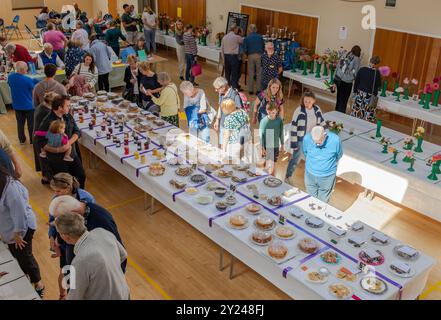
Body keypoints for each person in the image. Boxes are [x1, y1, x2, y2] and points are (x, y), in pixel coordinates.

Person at [54, 212, 130, 300]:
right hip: (124, 294)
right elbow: (123, 254)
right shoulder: (102, 232)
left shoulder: (80, 261)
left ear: (66, 237)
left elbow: (75, 296)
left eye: (59, 233)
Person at [48, 173, 95, 300]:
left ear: (68, 187)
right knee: (65, 270)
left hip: (80, 241)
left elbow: (91, 219)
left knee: (78, 272)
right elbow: (52, 220)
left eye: (58, 190)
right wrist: (52, 238)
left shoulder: (86, 198)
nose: (56, 194)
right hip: (64, 240)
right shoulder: (56, 199)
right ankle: (63, 295)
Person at [0, 167, 45, 298]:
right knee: (16, 255)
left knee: (25, 256)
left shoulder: (10, 188)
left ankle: (38, 283)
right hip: (9, 228)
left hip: (21, 229)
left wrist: (18, 234)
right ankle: (23, 277)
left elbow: (19, 213)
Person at [49, 195, 126, 271]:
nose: (58, 222)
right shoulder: (77, 211)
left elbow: (119, 255)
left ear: (73, 213)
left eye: (60, 219)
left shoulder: (102, 222)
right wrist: (57, 241)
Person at [37, 95, 86, 188]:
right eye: (67, 105)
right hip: (58, 160)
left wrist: (68, 143)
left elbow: (77, 131)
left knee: (81, 176)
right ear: (60, 108)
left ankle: (79, 197)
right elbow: (40, 141)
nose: (69, 107)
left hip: (72, 154)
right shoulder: (47, 121)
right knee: (64, 184)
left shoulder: (67, 116)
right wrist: (58, 150)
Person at [285, 91, 326, 184]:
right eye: (305, 101)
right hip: (301, 139)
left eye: (309, 101)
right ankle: (288, 176)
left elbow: (322, 121)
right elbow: (293, 126)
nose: (307, 103)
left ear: (314, 101)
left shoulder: (317, 109)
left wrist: (326, 131)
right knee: (296, 159)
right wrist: (294, 143)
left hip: (312, 139)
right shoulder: (299, 110)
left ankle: (311, 180)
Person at [303, 126, 343, 203]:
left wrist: (326, 165)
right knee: (310, 200)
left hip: (327, 177)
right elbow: (305, 152)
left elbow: (339, 155)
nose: (317, 144)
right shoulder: (307, 138)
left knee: (322, 203)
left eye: (320, 141)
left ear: (325, 135)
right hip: (310, 175)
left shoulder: (335, 140)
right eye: (315, 142)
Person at [7, 62, 39, 144]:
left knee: (20, 124)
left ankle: (22, 140)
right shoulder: (27, 80)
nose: (27, 69)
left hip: (17, 105)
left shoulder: (10, 77)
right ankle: (32, 140)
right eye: (26, 68)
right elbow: (33, 85)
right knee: (31, 124)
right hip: (29, 106)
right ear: (22, 69)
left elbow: (28, 80)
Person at [33, 92, 59, 184]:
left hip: (38, 137)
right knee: (46, 160)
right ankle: (48, 179)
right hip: (41, 139)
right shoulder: (46, 112)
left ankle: (46, 178)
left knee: (43, 159)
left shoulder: (42, 106)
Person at [212, 77, 243, 148]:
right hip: (222, 124)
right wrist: (217, 120)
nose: (216, 90)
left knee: (229, 147)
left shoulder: (235, 95)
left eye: (217, 88)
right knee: (222, 145)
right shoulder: (221, 93)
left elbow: (239, 112)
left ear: (223, 87)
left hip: (231, 127)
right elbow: (220, 106)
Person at [351, 56, 382, 122]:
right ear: (377, 64)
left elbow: (356, 81)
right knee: (367, 112)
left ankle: (354, 123)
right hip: (370, 95)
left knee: (357, 110)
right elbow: (378, 85)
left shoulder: (362, 69)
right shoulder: (377, 73)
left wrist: (355, 91)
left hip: (360, 93)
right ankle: (364, 126)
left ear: (370, 61)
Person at [333, 45, 361, 114]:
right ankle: (341, 115)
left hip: (339, 79)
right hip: (347, 82)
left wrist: (335, 78)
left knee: (339, 98)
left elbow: (338, 66)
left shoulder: (346, 55)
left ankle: (336, 113)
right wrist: (353, 76)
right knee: (344, 100)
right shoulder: (357, 59)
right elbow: (356, 71)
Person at [259, 104, 284, 176]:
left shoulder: (279, 121)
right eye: (269, 112)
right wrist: (262, 147)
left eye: (273, 112)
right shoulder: (263, 121)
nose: (271, 114)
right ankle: (263, 178)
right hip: (267, 146)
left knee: (273, 165)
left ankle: (273, 179)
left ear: (277, 111)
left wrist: (282, 144)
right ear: (266, 111)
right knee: (266, 164)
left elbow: (281, 133)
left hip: (275, 146)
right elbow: (261, 135)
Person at [221, 24, 244, 90]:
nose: (237, 30)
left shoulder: (224, 37)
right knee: (235, 73)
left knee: (227, 73)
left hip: (226, 56)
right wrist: (241, 31)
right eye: (237, 29)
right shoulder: (236, 37)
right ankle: (234, 88)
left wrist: (223, 59)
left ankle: (228, 87)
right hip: (234, 57)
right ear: (235, 29)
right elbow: (243, 40)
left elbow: (222, 49)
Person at [243, 24, 264, 95]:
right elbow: (263, 47)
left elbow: (245, 49)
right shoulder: (260, 37)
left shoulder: (247, 38)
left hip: (250, 56)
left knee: (251, 73)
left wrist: (246, 55)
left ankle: (250, 90)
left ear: (249, 30)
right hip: (259, 55)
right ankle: (258, 90)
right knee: (259, 73)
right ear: (256, 29)